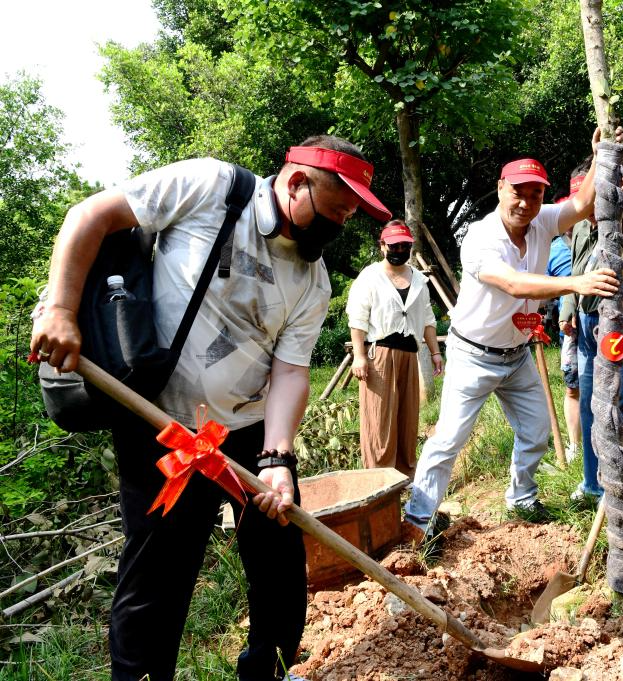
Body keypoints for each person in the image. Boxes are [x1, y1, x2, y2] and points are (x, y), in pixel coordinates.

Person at [30, 136, 391, 681]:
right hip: (162, 427)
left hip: (244, 431)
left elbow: (290, 372)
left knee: (280, 568)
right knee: (159, 576)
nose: (340, 224)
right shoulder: (212, 186)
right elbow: (92, 215)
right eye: (336, 209)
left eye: (349, 215)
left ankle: (265, 673)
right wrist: (60, 309)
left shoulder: (313, 281)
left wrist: (277, 458)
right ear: (296, 182)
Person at [403, 128, 623, 548]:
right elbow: (514, 284)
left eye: (536, 194)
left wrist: (597, 156)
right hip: (473, 354)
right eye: (517, 192)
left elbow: (580, 203)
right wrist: (576, 283)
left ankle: (521, 497)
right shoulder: (481, 238)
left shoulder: (542, 219)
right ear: (500, 189)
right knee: (449, 438)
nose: (526, 203)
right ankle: (418, 518)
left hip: (517, 354)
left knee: (537, 431)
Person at [558, 159, 623, 501]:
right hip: (586, 325)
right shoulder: (581, 225)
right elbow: (577, 268)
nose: (589, 209)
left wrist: (618, 194)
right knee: (588, 404)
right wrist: (569, 308)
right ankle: (592, 484)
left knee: (621, 403)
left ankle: (620, 485)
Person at [347, 220, 443, 477]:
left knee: (407, 416)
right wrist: (359, 356)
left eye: (404, 245)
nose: (399, 249)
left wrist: (435, 353)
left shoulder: (420, 280)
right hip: (379, 353)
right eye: (394, 245)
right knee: (380, 419)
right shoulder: (370, 276)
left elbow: (428, 320)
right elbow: (358, 318)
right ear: (382, 246)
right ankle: (378, 477)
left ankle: (404, 476)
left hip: (409, 354)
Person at [546, 227, 582, 463]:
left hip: (602, 325)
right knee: (573, 387)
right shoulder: (553, 248)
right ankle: (574, 445)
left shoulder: (601, 237)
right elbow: (545, 285)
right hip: (569, 330)